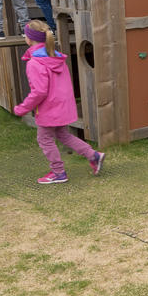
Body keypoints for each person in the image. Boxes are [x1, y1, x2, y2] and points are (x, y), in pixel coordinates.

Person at [12, 21, 104, 184]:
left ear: (29, 39)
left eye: (25, 34)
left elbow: (39, 91)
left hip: (49, 109)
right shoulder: (54, 56)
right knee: (63, 135)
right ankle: (93, 155)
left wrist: (23, 108)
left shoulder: (35, 63)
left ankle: (58, 172)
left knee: (44, 139)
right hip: (62, 106)